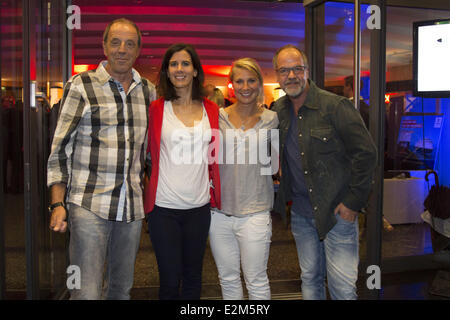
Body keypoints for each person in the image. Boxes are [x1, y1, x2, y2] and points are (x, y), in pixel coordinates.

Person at [47, 18, 156, 300]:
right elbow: (60, 147)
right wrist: (57, 203)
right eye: (116, 42)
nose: (122, 49)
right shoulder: (82, 85)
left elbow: (150, 152)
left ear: (138, 50)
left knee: (121, 289)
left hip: (130, 207)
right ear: (105, 45)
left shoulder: (147, 90)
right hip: (88, 204)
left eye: (130, 44)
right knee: (87, 292)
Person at [271, 45, 377, 300]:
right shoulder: (278, 110)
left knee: (342, 288)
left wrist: (352, 203)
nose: (292, 75)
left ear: (307, 71)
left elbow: (366, 154)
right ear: (277, 75)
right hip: (300, 213)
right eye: (285, 70)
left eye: (297, 68)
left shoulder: (335, 106)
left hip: (337, 213)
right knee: (310, 281)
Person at [144, 43, 221, 300]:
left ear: (196, 71)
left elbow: (217, 154)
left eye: (185, 63)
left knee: (193, 277)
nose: (179, 69)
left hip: (199, 208)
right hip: (163, 208)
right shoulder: (156, 109)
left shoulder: (211, 109)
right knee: (169, 278)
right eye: (173, 64)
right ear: (166, 71)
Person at [209, 58, 278, 300]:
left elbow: (275, 164)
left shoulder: (272, 119)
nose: (245, 86)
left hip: (256, 212)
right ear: (231, 85)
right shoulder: (216, 117)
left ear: (259, 84)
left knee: (256, 280)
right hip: (219, 214)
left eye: (251, 80)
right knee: (227, 280)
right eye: (239, 81)